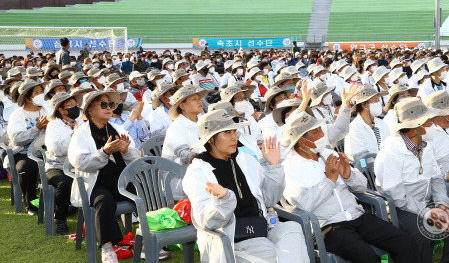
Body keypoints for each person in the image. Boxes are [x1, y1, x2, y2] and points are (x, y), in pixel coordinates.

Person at [282, 112, 420, 263]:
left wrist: (349, 176)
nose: (323, 134)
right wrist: (329, 180)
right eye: (316, 131)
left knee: (405, 242)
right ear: (302, 141)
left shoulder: (329, 153)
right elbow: (303, 204)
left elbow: (362, 187)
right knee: (368, 258)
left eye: (321, 129)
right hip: (328, 227)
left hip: (356, 216)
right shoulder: (289, 168)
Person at [183, 110, 309, 262]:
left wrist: (274, 167)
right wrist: (223, 200)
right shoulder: (198, 171)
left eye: (234, 131)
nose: (233, 136)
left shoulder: (245, 159)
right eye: (227, 132)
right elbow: (206, 221)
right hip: (231, 240)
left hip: (262, 228)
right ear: (210, 139)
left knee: (292, 229)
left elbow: (268, 199)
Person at [375, 97, 449, 262]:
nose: (432, 125)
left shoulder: (425, 146)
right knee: (422, 233)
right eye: (428, 121)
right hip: (402, 210)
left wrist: (442, 203)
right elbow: (399, 199)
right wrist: (428, 212)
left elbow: (436, 178)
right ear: (416, 127)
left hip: (427, 204)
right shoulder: (390, 154)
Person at [67, 91, 144, 263]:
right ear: (90, 110)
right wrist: (104, 152)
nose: (109, 108)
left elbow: (137, 157)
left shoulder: (118, 128)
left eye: (110, 104)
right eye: (103, 105)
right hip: (96, 183)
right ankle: (108, 249)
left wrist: (126, 150)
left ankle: (146, 239)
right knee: (104, 201)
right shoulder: (81, 133)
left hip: (121, 180)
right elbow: (80, 163)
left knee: (145, 193)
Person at [7, 79, 49, 215]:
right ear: (27, 96)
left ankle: (61, 202)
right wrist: (37, 129)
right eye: (36, 92)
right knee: (27, 168)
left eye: (41, 92)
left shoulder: (46, 110)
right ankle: (31, 204)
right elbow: (16, 139)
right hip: (24, 152)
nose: (40, 95)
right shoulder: (17, 114)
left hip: (47, 151)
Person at [44, 92, 83, 234]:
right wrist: (75, 135)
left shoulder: (80, 122)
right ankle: (60, 219)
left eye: (75, 104)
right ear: (61, 110)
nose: (75, 107)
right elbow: (57, 150)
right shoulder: (53, 125)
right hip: (57, 166)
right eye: (70, 105)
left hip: (78, 165)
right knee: (65, 183)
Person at [162, 85, 207, 165]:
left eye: (199, 99)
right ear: (182, 106)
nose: (199, 101)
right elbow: (184, 153)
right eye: (194, 99)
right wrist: (207, 158)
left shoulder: (202, 120)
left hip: (200, 165)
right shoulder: (176, 127)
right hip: (178, 172)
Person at [344, 84, 390, 161]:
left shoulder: (381, 123)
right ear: (363, 104)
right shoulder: (354, 128)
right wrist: (368, 170)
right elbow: (359, 158)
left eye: (378, 100)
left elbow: (390, 146)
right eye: (375, 100)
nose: (378, 103)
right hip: (368, 170)